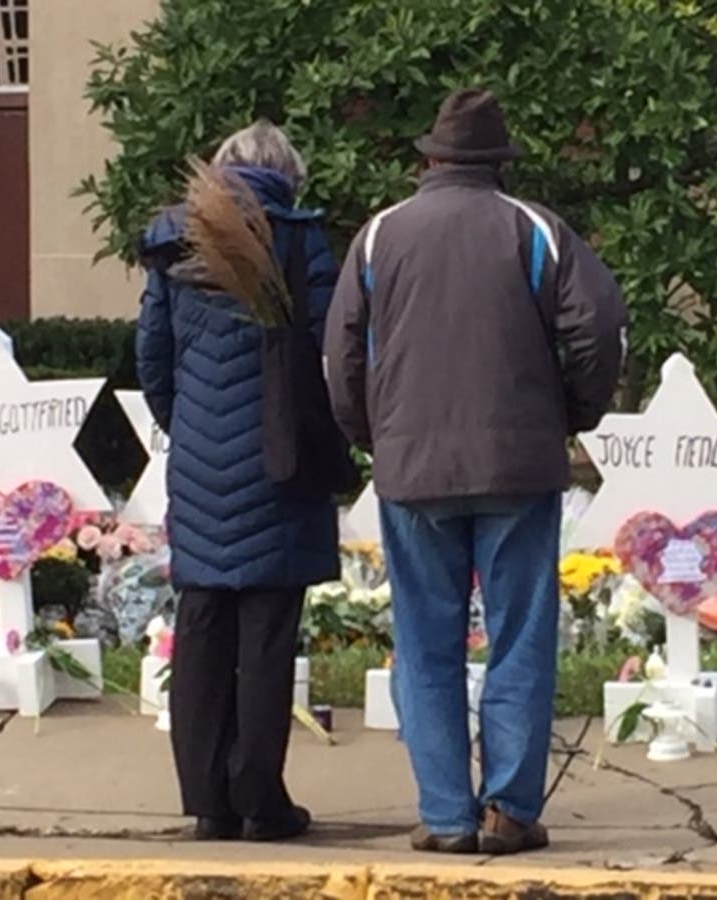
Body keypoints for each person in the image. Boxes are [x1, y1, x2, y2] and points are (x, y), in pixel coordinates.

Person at [325, 88, 628, 856]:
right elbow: (598, 327)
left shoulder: (379, 235)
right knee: (519, 637)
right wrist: (572, 412)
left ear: (428, 160)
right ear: (498, 164)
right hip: (519, 464)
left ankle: (446, 816)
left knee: (425, 642)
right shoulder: (535, 229)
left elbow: (340, 355)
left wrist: (374, 435)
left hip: (411, 465)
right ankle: (510, 811)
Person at [136, 120, 340, 842]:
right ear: (289, 176)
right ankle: (261, 803)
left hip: (197, 457)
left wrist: (189, 426)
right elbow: (328, 348)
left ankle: (209, 804)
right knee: (266, 637)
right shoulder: (299, 240)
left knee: (201, 625)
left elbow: (152, 359)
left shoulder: (175, 240)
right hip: (280, 455)